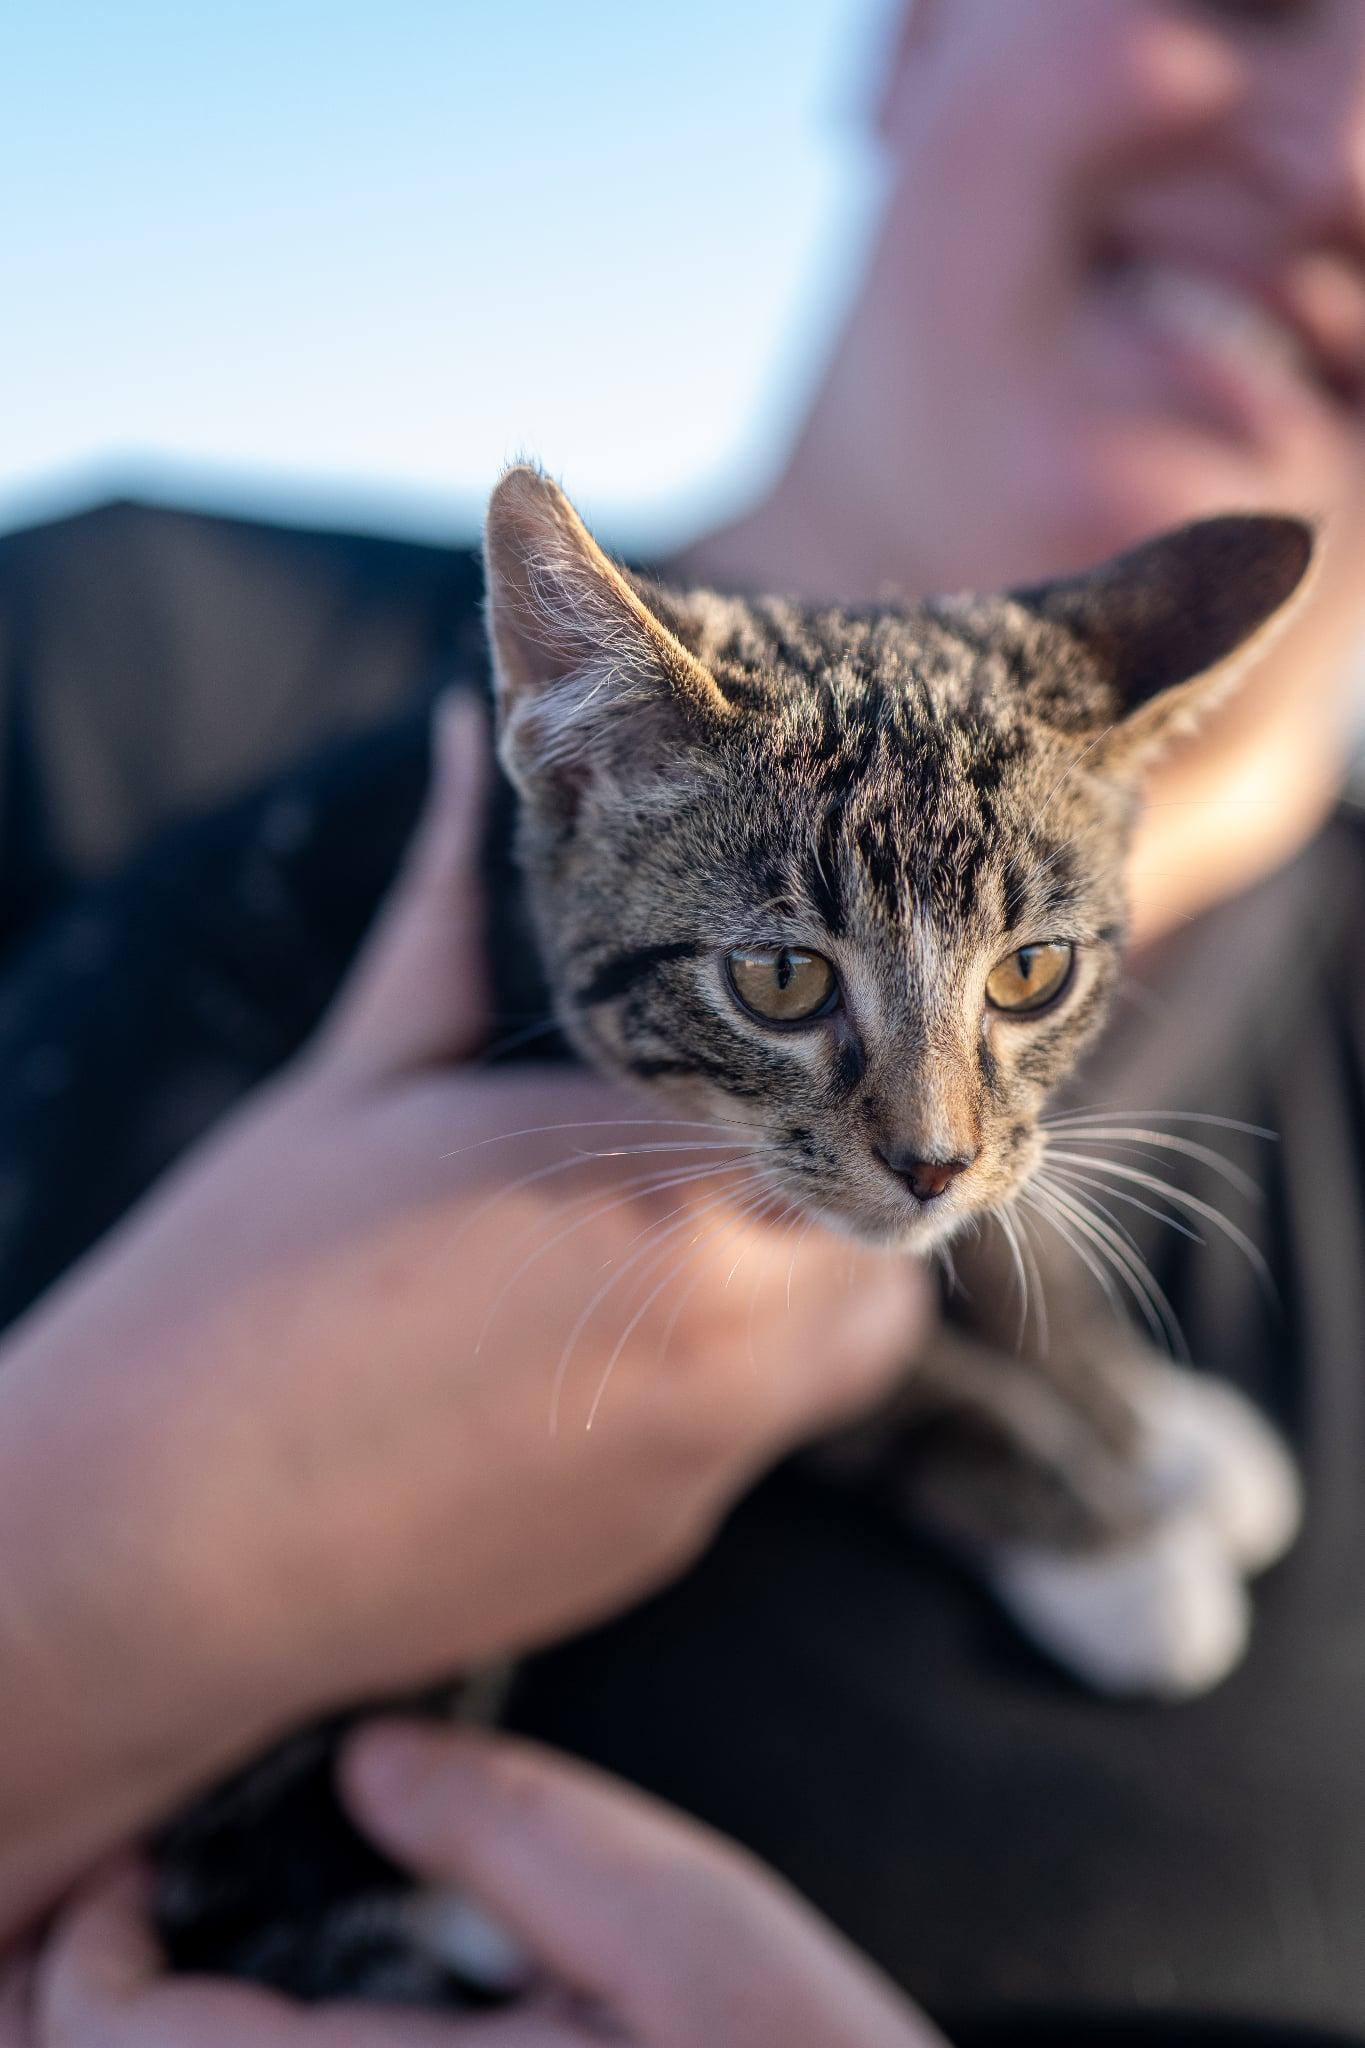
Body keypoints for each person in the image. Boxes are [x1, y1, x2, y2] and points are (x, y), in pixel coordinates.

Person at [4, 0, 1365, 2039]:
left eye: (1023, 985)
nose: (927, 1133)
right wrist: (104, 1557)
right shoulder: (100, 675)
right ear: (909, 28)